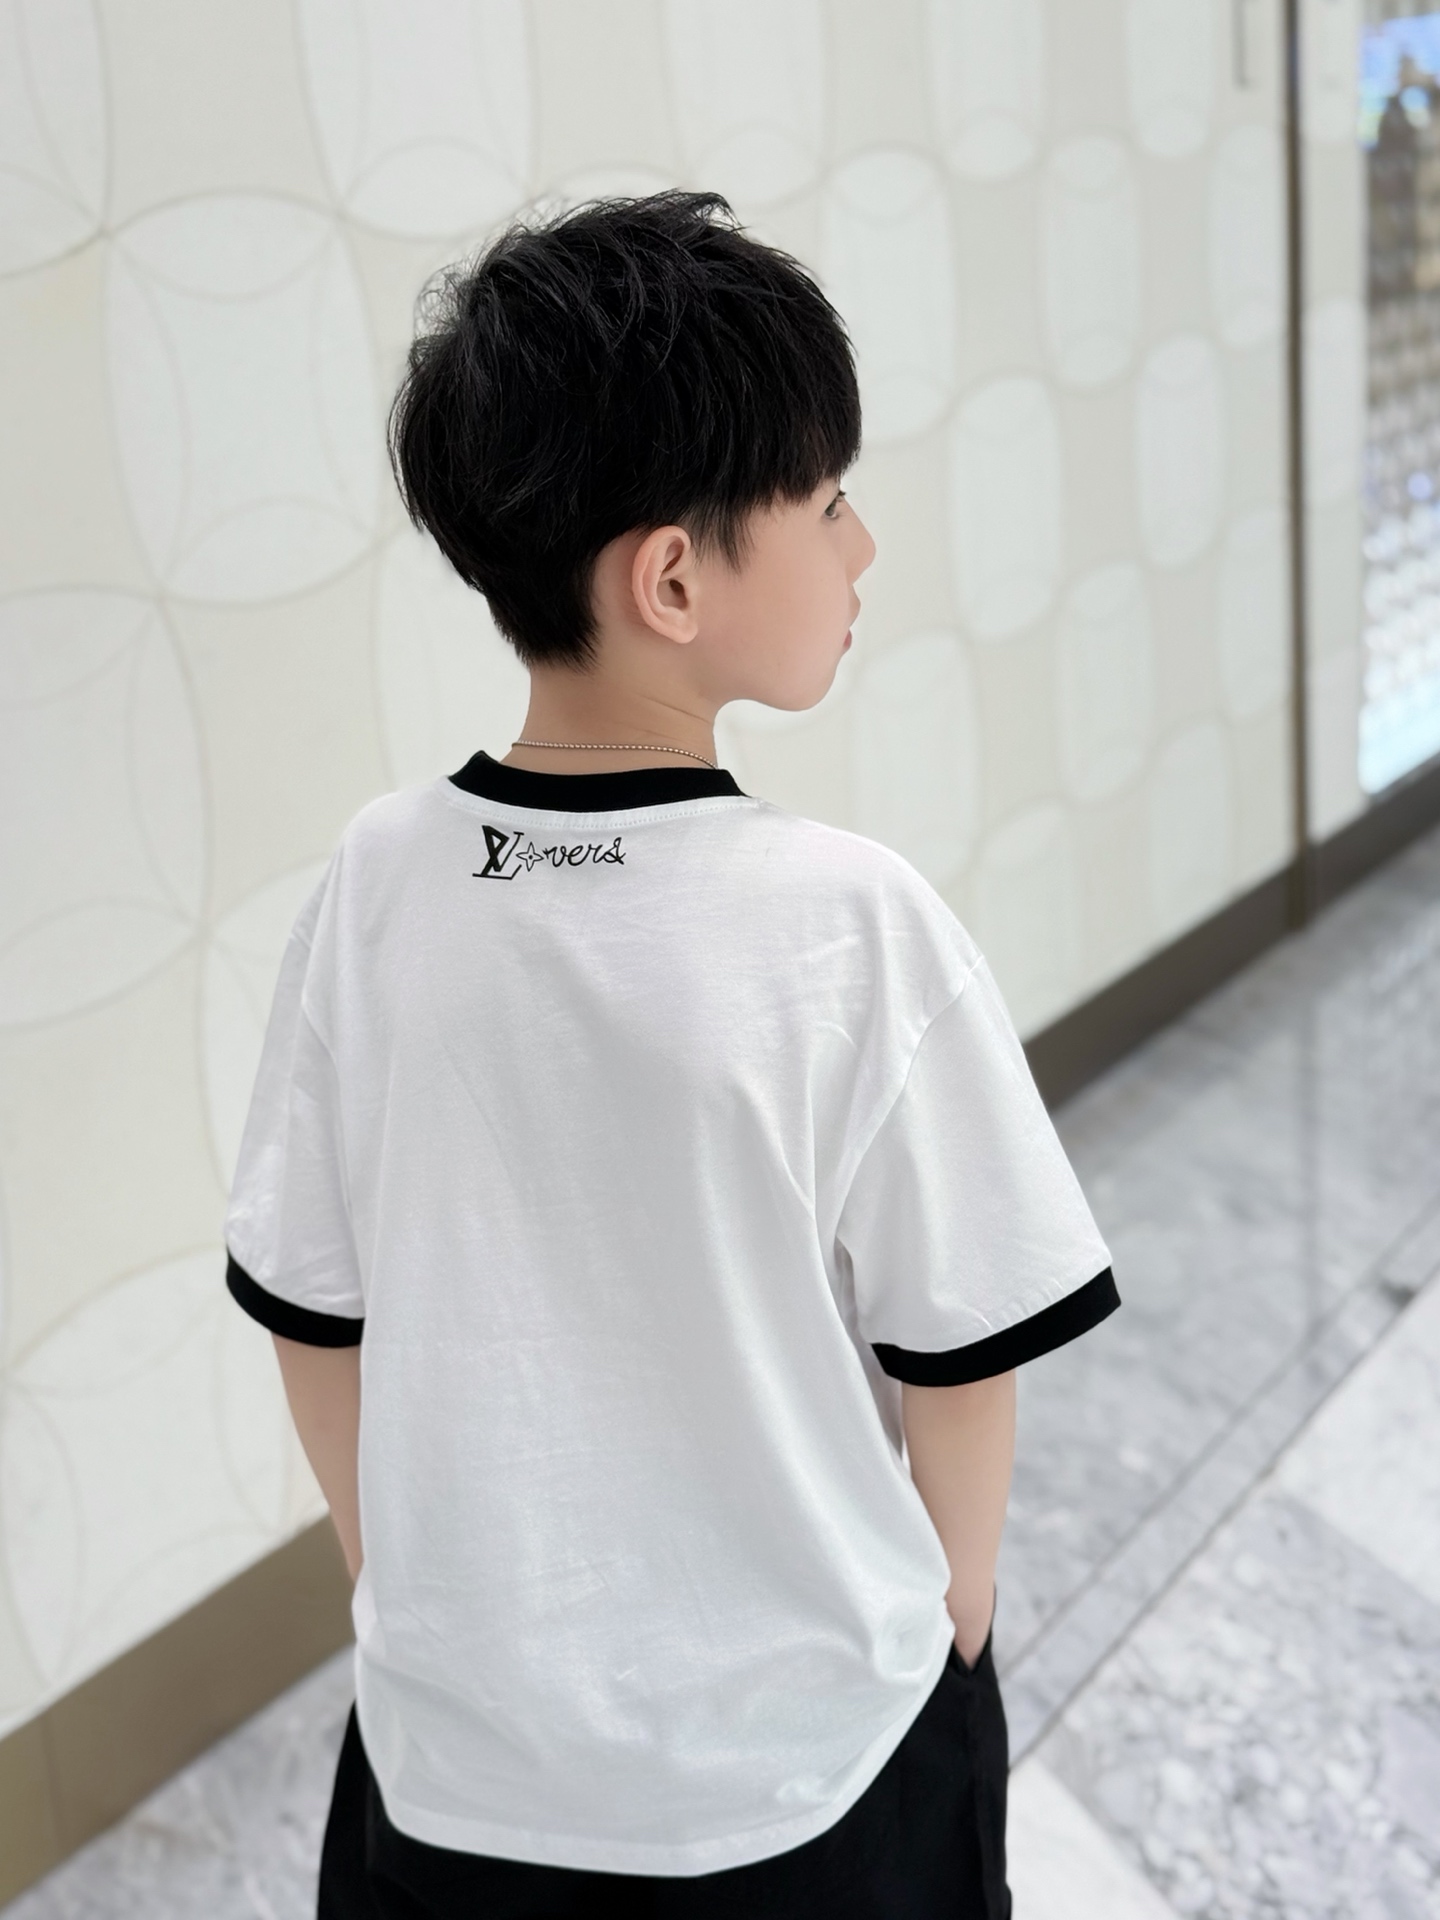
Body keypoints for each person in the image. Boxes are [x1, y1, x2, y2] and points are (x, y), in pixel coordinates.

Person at [224, 192, 1119, 1920]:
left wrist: (402, 1592)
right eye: (828, 502)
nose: (862, 548)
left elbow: (308, 1304)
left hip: (454, 1778)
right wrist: (956, 1618)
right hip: (814, 1783)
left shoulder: (378, 881)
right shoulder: (846, 919)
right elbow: (961, 1349)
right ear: (675, 577)